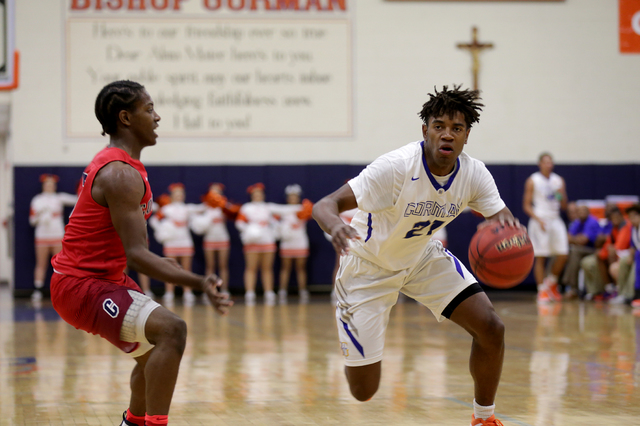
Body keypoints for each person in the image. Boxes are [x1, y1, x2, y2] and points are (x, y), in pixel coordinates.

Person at [312, 85, 516, 426]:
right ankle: (356, 331)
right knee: (363, 391)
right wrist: (334, 226)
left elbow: (502, 220)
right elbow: (324, 205)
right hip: (367, 268)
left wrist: (511, 239)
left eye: (457, 128)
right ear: (425, 131)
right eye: (439, 126)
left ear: (467, 135)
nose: (447, 134)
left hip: (421, 258)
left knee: (491, 327)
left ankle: (484, 418)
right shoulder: (395, 167)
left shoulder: (474, 174)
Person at [50, 80, 232, 426]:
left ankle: (132, 423)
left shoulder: (122, 167)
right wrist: (198, 280)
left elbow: (136, 252)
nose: (157, 117)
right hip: (81, 283)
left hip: (102, 279)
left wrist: (172, 267)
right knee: (171, 330)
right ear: (125, 118)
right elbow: (136, 254)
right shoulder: (119, 174)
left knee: (151, 356)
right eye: (149, 109)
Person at [522, 153, 569, 303]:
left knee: (563, 254)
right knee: (541, 256)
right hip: (540, 218)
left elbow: (564, 205)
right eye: (545, 162)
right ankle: (542, 290)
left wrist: (561, 195)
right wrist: (538, 219)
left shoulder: (558, 180)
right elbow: (526, 205)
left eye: (550, 162)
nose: (548, 164)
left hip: (555, 218)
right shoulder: (533, 180)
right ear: (540, 164)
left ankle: (552, 283)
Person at [29, 174, 77, 301]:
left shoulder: (59, 198)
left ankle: (63, 290)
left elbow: (77, 200)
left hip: (57, 236)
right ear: (43, 185)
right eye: (47, 184)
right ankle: (38, 290)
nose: (49, 186)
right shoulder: (37, 200)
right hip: (42, 237)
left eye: (52, 184)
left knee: (61, 265)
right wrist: (40, 217)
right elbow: (32, 220)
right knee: (41, 264)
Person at [154, 183, 203, 305]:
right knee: (169, 269)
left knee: (186, 269)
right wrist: (162, 232)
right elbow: (154, 220)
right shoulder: (166, 209)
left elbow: (201, 208)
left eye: (181, 194)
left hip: (185, 241)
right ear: (172, 195)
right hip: (171, 242)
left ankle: (187, 292)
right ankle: (169, 293)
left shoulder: (187, 208)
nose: (179, 196)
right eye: (176, 194)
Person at [191, 183, 239, 298]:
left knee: (223, 266)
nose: (215, 194)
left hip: (222, 238)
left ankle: (224, 289)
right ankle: (210, 290)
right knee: (210, 266)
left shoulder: (224, 206)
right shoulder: (204, 207)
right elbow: (193, 213)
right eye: (213, 191)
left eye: (217, 192)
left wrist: (226, 206)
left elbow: (235, 212)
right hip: (209, 239)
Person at [235, 183, 278, 305]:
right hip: (252, 242)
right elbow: (239, 223)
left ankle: (269, 292)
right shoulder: (246, 208)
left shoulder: (268, 207)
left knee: (267, 268)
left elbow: (275, 222)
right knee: (251, 267)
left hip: (267, 241)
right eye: (255, 194)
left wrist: (274, 230)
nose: (258, 196)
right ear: (252, 195)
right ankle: (250, 292)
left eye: (260, 193)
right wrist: (250, 230)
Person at [270, 184, 313, 304]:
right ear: (287, 198)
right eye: (291, 196)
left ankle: (303, 291)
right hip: (287, 242)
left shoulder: (304, 208)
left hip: (300, 241)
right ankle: (282, 291)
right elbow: (273, 219)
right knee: (285, 268)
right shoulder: (282, 210)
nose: (293, 198)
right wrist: (279, 229)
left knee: (301, 268)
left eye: (295, 196)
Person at [580, 205, 631, 302]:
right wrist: (602, 253)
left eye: (616, 217)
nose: (614, 220)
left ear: (621, 216)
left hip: (626, 254)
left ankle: (618, 290)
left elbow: (620, 246)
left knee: (610, 253)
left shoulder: (625, 226)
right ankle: (607, 288)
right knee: (600, 255)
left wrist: (607, 251)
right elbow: (605, 245)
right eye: (612, 218)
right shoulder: (613, 229)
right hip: (618, 255)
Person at [561, 203, 602, 298]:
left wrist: (574, 239)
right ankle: (566, 286)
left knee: (574, 251)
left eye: (584, 211)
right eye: (579, 211)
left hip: (593, 250)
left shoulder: (592, 221)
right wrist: (577, 239)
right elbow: (567, 238)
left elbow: (584, 240)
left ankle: (571, 286)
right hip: (581, 250)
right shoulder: (578, 222)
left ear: (588, 212)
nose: (581, 213)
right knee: (567, 252)